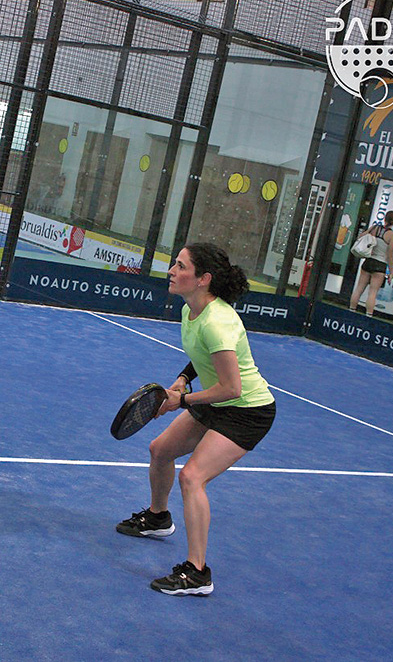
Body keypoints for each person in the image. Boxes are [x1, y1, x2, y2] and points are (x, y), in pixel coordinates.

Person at [116, 243, 276, 596]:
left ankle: (197, 573)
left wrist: (180, 401)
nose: (172, 270)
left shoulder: (218, 322)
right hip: (217, 401)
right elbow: (200, 357)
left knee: (192, 477)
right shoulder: (193, 310)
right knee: (160, 450)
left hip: (247, 412)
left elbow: (232, 388)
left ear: (203, 279)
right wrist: (183, 379)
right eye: (175, 264)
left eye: (181, 266)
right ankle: (158, 518)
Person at [348, 210, 393, 316]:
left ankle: (351, 311)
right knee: (373, 292)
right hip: (380, 265)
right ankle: (369, 315)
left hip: (368, 261)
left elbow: (360, 237)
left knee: (359, 288)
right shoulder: (392, 236)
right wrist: (391, 271)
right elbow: (390, 254)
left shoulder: (374, 228)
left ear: (384, 218)